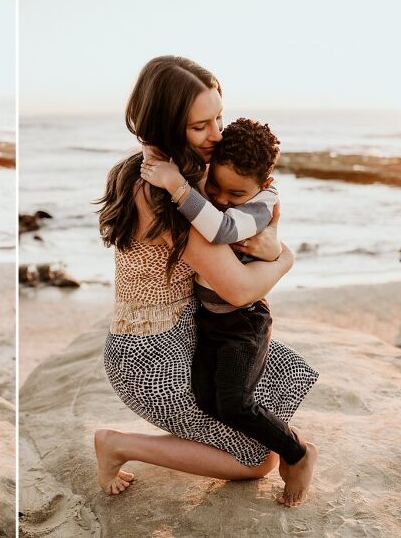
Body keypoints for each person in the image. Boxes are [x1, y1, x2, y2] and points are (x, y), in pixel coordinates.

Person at [93, 56, 319, 508]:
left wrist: (270, 242)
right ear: (165, 124)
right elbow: (237, 288)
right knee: (259, 462)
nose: (218, 133)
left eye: (218, 115)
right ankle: (118, 444)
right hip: (150, 357)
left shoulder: (188, 176)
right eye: (201, 125)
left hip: (194, 332)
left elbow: (251, 222)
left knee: (283, 379)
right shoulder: (159, 192)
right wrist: (284, 258)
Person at [141, 117, 318, 506]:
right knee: (206, 398)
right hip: (210, 319)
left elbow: (219, 229)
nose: (220, 198)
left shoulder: (261, 207)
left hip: (244, 322)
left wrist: (177, 186)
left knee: (233, 402)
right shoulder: (220, 186)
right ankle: (258, 437)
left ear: (263, 186)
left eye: (234, 193)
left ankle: (297, 452)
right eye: (215, 186)